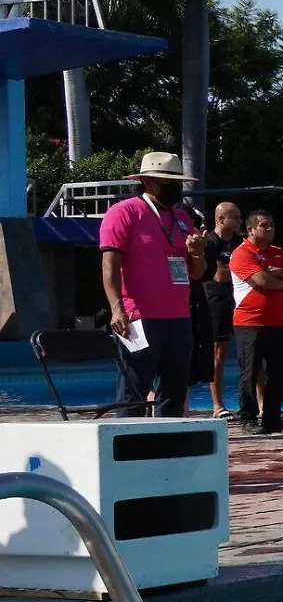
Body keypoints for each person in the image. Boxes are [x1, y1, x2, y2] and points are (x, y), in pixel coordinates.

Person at [100, 152, 207, 418]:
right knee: (134, 391)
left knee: (174, 391)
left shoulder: (182, 218)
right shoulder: (123, 212)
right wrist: (116, 308)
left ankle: (165, 449)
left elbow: (198, 273)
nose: (175, 188)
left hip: (179, 317)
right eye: (167, 182)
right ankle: (126, 450)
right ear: (148, 182)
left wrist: (197, 254)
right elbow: (109, 265)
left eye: (177, 182)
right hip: (138, 318)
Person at [228, 210, 283, 434]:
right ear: (250, 229)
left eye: (271, 224)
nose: (269, 228)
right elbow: (263, 280)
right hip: (250, 322)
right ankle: (248, 418)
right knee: (250, 372)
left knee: (280, 371)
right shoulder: (242, 253)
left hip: (277, 323)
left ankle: (272, 417)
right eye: (263, 225)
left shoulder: (278, 252)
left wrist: (279, 272)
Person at [202, 202, 244, 419]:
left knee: (251, 351)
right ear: (221, 220)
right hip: (216, 299)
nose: (240, 221)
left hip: (239, 299)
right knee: (219, 353)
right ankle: (217, 405)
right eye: (235, 217)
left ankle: (259, 403)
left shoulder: (241, 242)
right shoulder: (209, 242)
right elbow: (219, 275)